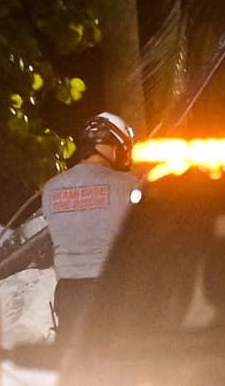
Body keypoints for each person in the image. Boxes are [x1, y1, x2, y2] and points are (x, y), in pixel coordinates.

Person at [41, 111, 138, 339]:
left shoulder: (52, 187)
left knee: (76, 365)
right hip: (113, 293)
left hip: (68, 296)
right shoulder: (129, 185)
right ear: (116, 146)